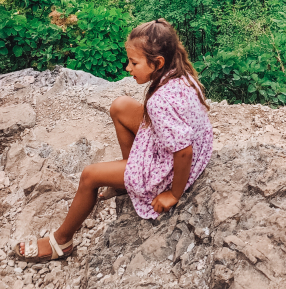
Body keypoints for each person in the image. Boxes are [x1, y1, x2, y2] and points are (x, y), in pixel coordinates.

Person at [15, 18, 213, 262]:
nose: (128, 68)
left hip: (172, 167)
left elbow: (183, 151)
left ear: (158, 62)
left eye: (134, 62)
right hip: (174, 148)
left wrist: (174, 194)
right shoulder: (181, 73)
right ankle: (126, 180)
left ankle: (61, 241)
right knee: (120, 106)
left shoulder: (160, 101)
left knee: (89, 175)